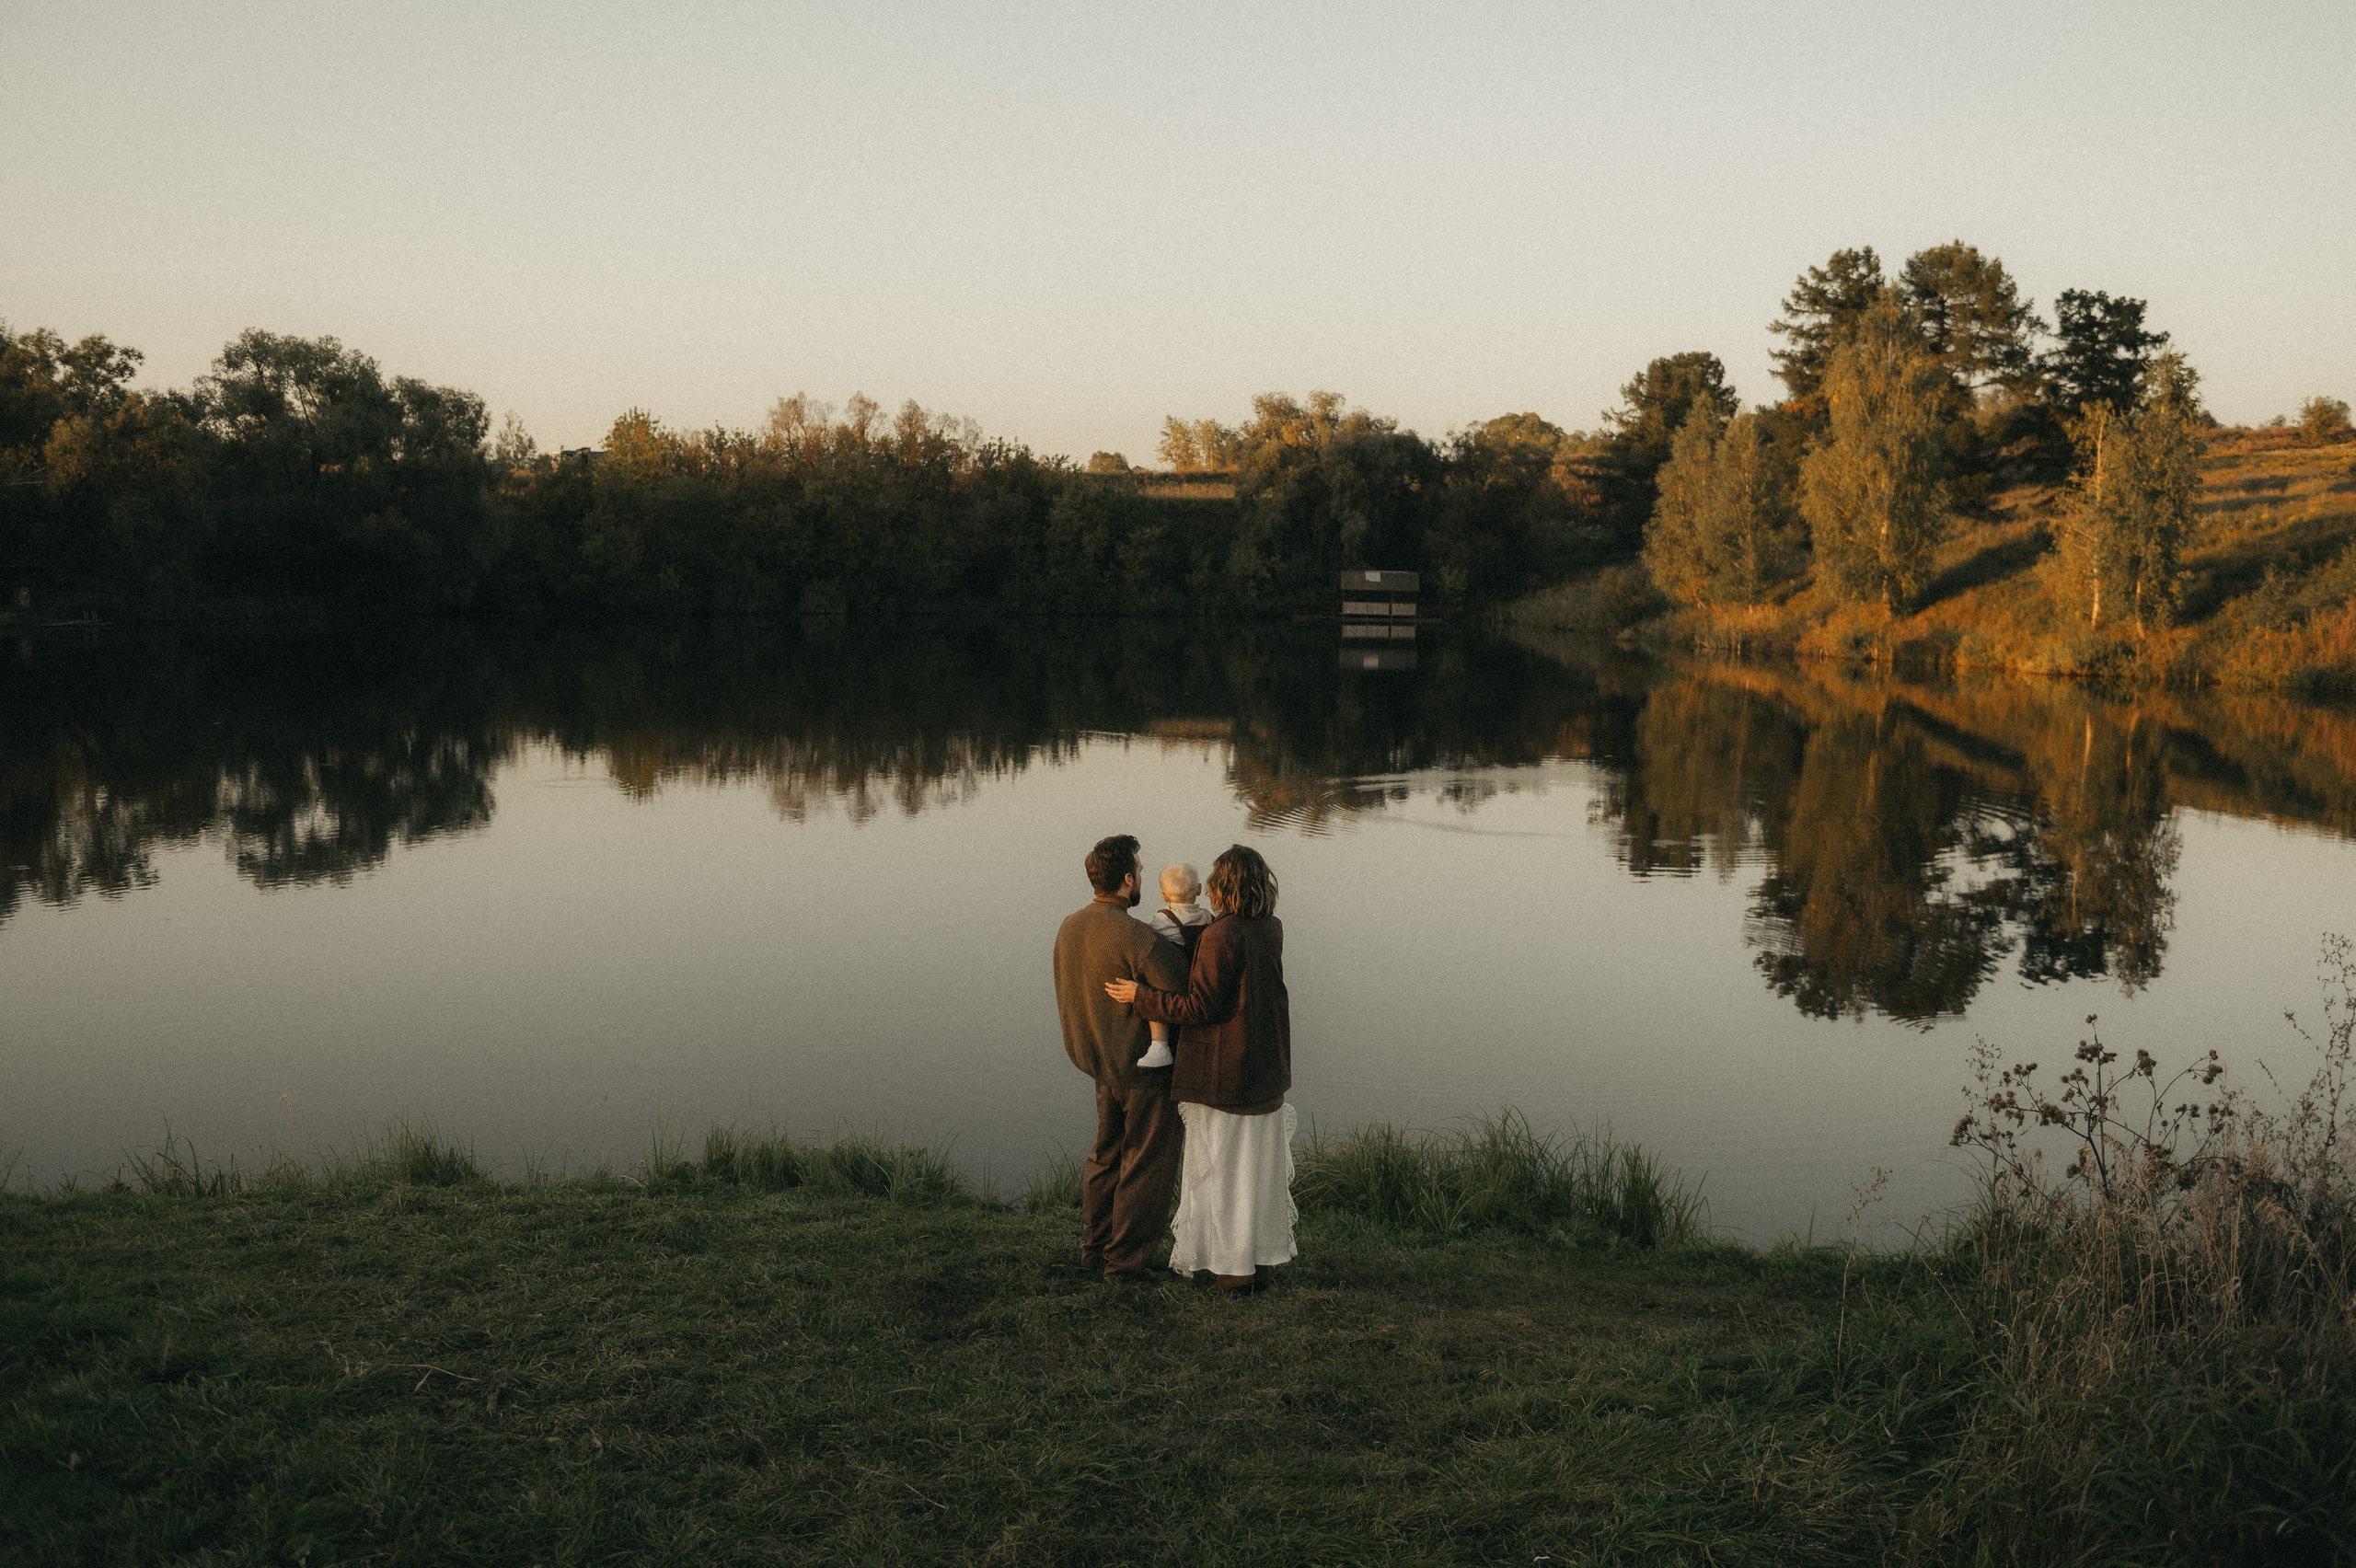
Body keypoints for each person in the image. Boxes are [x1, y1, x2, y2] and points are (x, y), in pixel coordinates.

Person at [1105, 844, 1295, 1295]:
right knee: (1257, 1174)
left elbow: (1199, 1007)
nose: (1208, 888)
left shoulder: (1220, 935)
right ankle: (1257, 1263)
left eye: (1214, 880)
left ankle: (1235, 1271)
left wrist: (1142, 997)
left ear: (1225, 885)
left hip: (1227, 1075)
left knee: (1225, 1174)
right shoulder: (1270, 927)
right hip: (1266, 1071)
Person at [1052, 833, 1191, 1283]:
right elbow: (1185, 986)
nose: (1143, 879)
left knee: (1106, 1157)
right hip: (1142, 1071)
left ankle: (1094, 1251)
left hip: (1099, 1065)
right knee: (1147, 1166)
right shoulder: (1137, 936)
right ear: (1128, 879)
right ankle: (1126, 1266)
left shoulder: (1070, 925)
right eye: (1141, 872)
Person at [1136, 862, 1213, 1070]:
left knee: (1153, 983)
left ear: (1164, 896)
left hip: (1174, 978)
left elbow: (1148, 941)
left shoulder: (1163, 919)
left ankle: (1159, 1045)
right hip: (1198, 976)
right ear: (1199, 889)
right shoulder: (1207, 917)